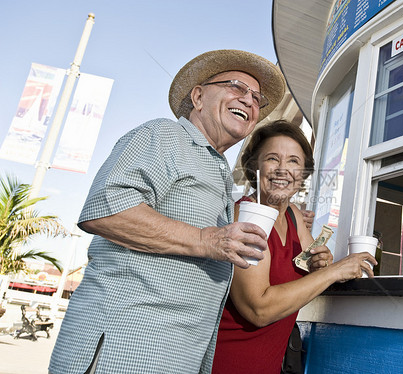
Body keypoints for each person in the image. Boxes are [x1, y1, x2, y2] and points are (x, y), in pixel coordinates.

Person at [49, 49, 286, 374]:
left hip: (175, 357)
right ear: (198, 96)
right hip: (126, 351)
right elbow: (106, 210)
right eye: (236, 86)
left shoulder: (217, 170)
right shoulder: (164, 134)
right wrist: (209, 240)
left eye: (257, 98)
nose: (249, 100)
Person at [211, 120, 377, 374]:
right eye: (272, 159)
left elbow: (313, 262)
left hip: (269, 364)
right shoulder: (245, 217)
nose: (282, 170)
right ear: (255, 166)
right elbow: (258, 309)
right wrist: (333, 272)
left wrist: (321, 262)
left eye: (293, 162)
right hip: (229, 362)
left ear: (303, 174)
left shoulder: (293, 216)